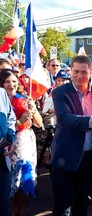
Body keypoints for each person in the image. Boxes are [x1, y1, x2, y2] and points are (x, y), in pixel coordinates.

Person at [50, 55, 92, 216]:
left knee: (82, 203)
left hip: (89, 159)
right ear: (70, 71)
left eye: (84, 72)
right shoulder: (60, 92)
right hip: (65, 157)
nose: (79, 76)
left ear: (90, 72)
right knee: (63, 205)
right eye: (76, 71)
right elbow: (65, 119)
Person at [0, 69, 43, 216]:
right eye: (7, 81)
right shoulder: (1, 101)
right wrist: (20, 121)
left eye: (14, 81)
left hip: (25, 144)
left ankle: (21, 211)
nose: (11, 85)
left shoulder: (25, 98)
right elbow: (5, 128)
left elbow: (38, 124)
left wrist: (33, 110)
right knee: (10, 182)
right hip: (8, 144)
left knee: (25, 180)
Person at [0, 87, 16, 216]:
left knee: (3, 204)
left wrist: (11, 139)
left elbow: (10, 118)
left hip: (2, 160)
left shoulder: (1, 93)